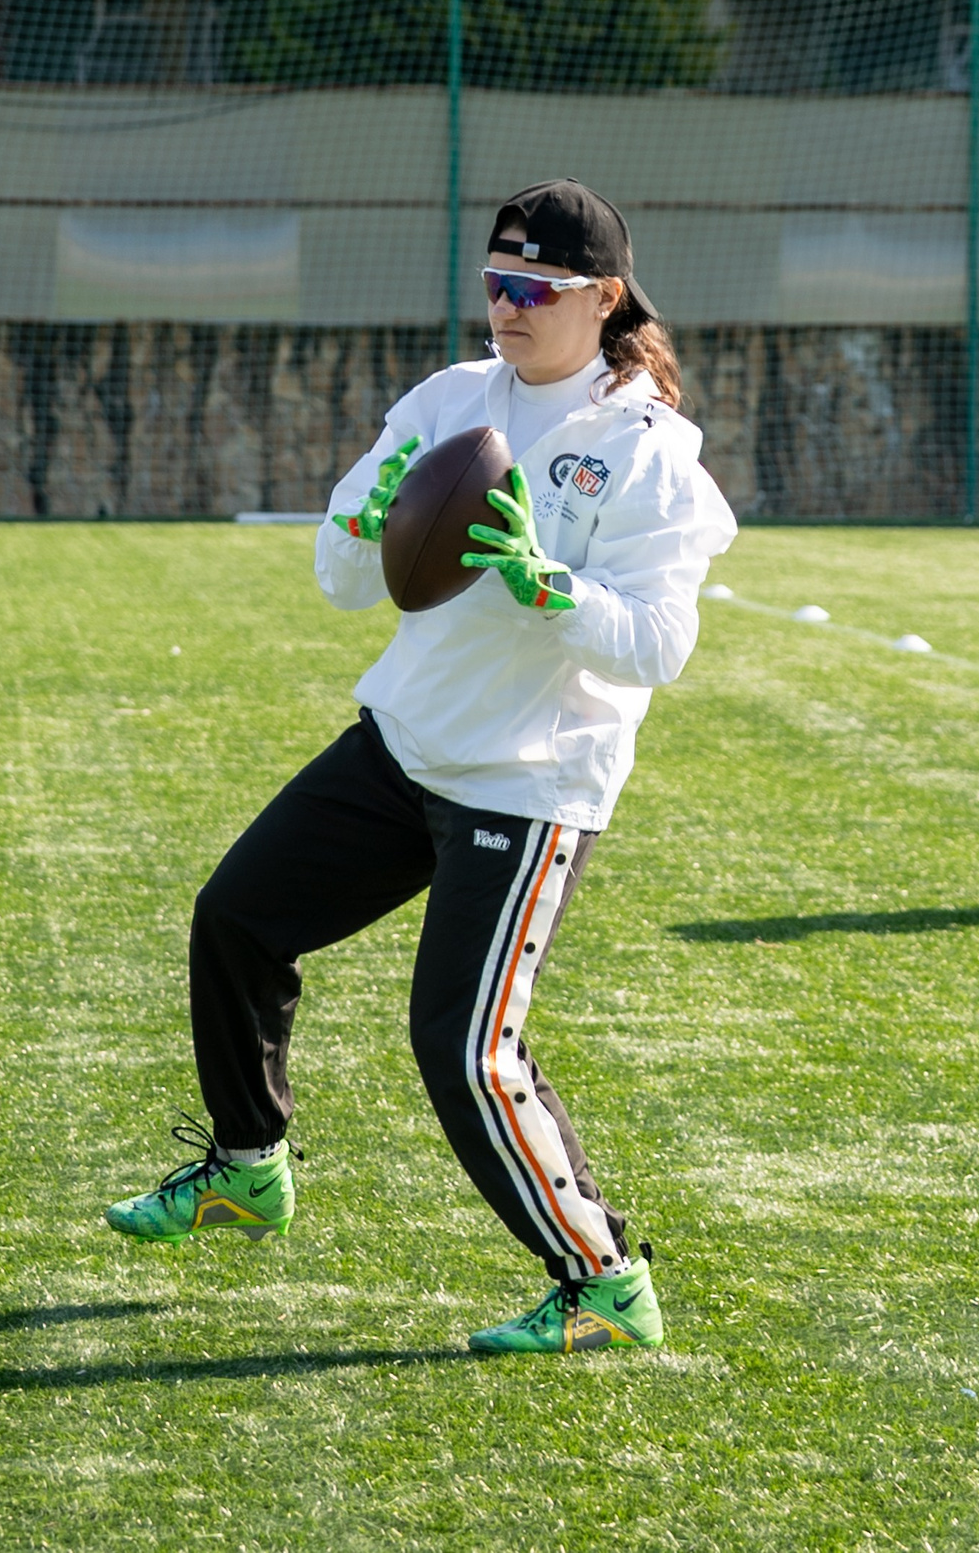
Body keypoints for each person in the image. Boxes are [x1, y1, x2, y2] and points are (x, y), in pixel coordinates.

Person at [102, 180, 736, 1356]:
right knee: (236, 917)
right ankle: (247, 1164)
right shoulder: (450, 400)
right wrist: (369, 517)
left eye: (534, 290)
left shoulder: (646, 454)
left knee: (463, 1045)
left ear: (603, 299)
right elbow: (347, 582)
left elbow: (660, 645)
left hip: (528, 781)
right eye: (494, 282)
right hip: (406, 743)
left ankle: (602, 1279)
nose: (506, 308)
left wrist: (552, 588)